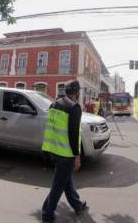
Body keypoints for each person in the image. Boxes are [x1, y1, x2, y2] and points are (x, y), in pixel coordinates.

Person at [41, 80, 87, 222]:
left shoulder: (54, 103)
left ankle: (77, 205)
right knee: (58, 185)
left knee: (66, 181)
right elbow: (74, 134)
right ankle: (47, 214)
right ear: (77, 92)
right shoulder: (74, 107)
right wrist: (77, 156)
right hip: (65, 153)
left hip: (53, 149)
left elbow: (50, 128)